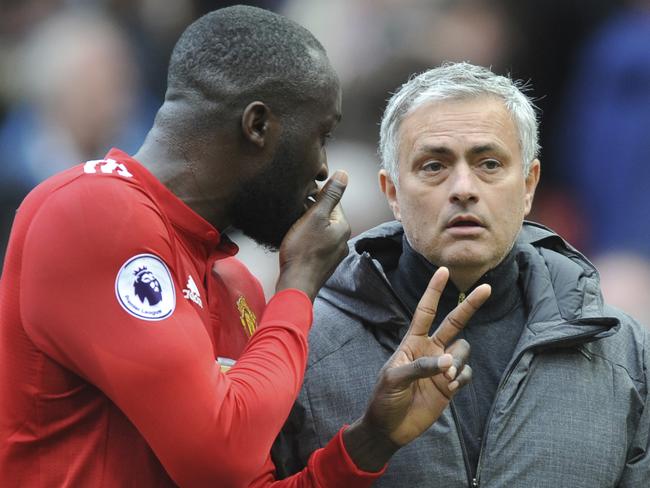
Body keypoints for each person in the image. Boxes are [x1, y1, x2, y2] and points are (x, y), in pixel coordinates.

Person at [0, 7, 491, 487]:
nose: (322, 168)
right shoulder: (91, 210)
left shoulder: (235, 286)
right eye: (320, 136)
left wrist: (372, 440)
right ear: (258, 127)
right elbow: (218, 456)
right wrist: (298, 283)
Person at [274, 62, 650, 487]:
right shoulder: (304, 344)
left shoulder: (622, 353)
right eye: (434, 166)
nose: (464, 188)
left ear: (528, 186)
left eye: (489, 164)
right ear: (392, 193)